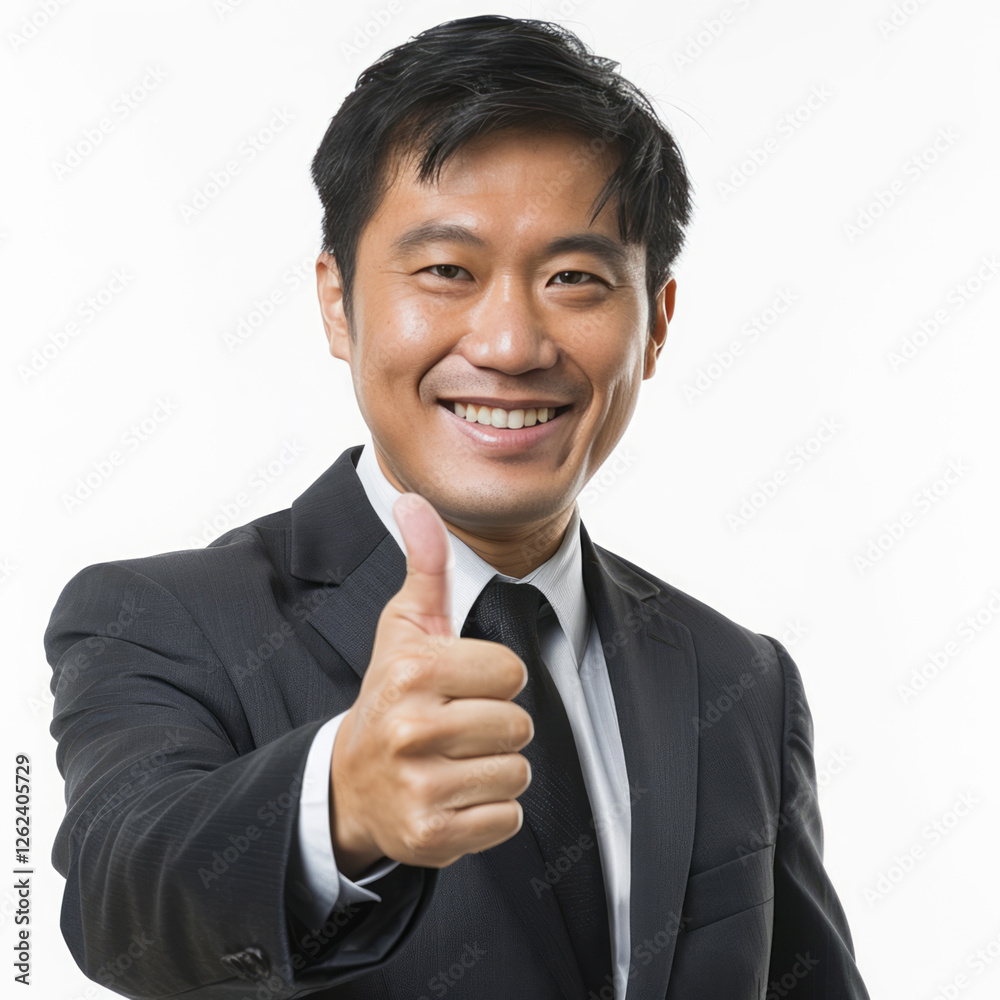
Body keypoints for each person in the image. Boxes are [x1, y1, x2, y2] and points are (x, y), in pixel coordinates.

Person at [44, 14, 870, 1000]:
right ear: (338, 303)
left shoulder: (738, 679)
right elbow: (121, 893)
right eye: (446, 271)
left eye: (574, 278)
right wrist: (339, 802)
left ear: (654, 324)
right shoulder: (164, 619)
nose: (512, 342)